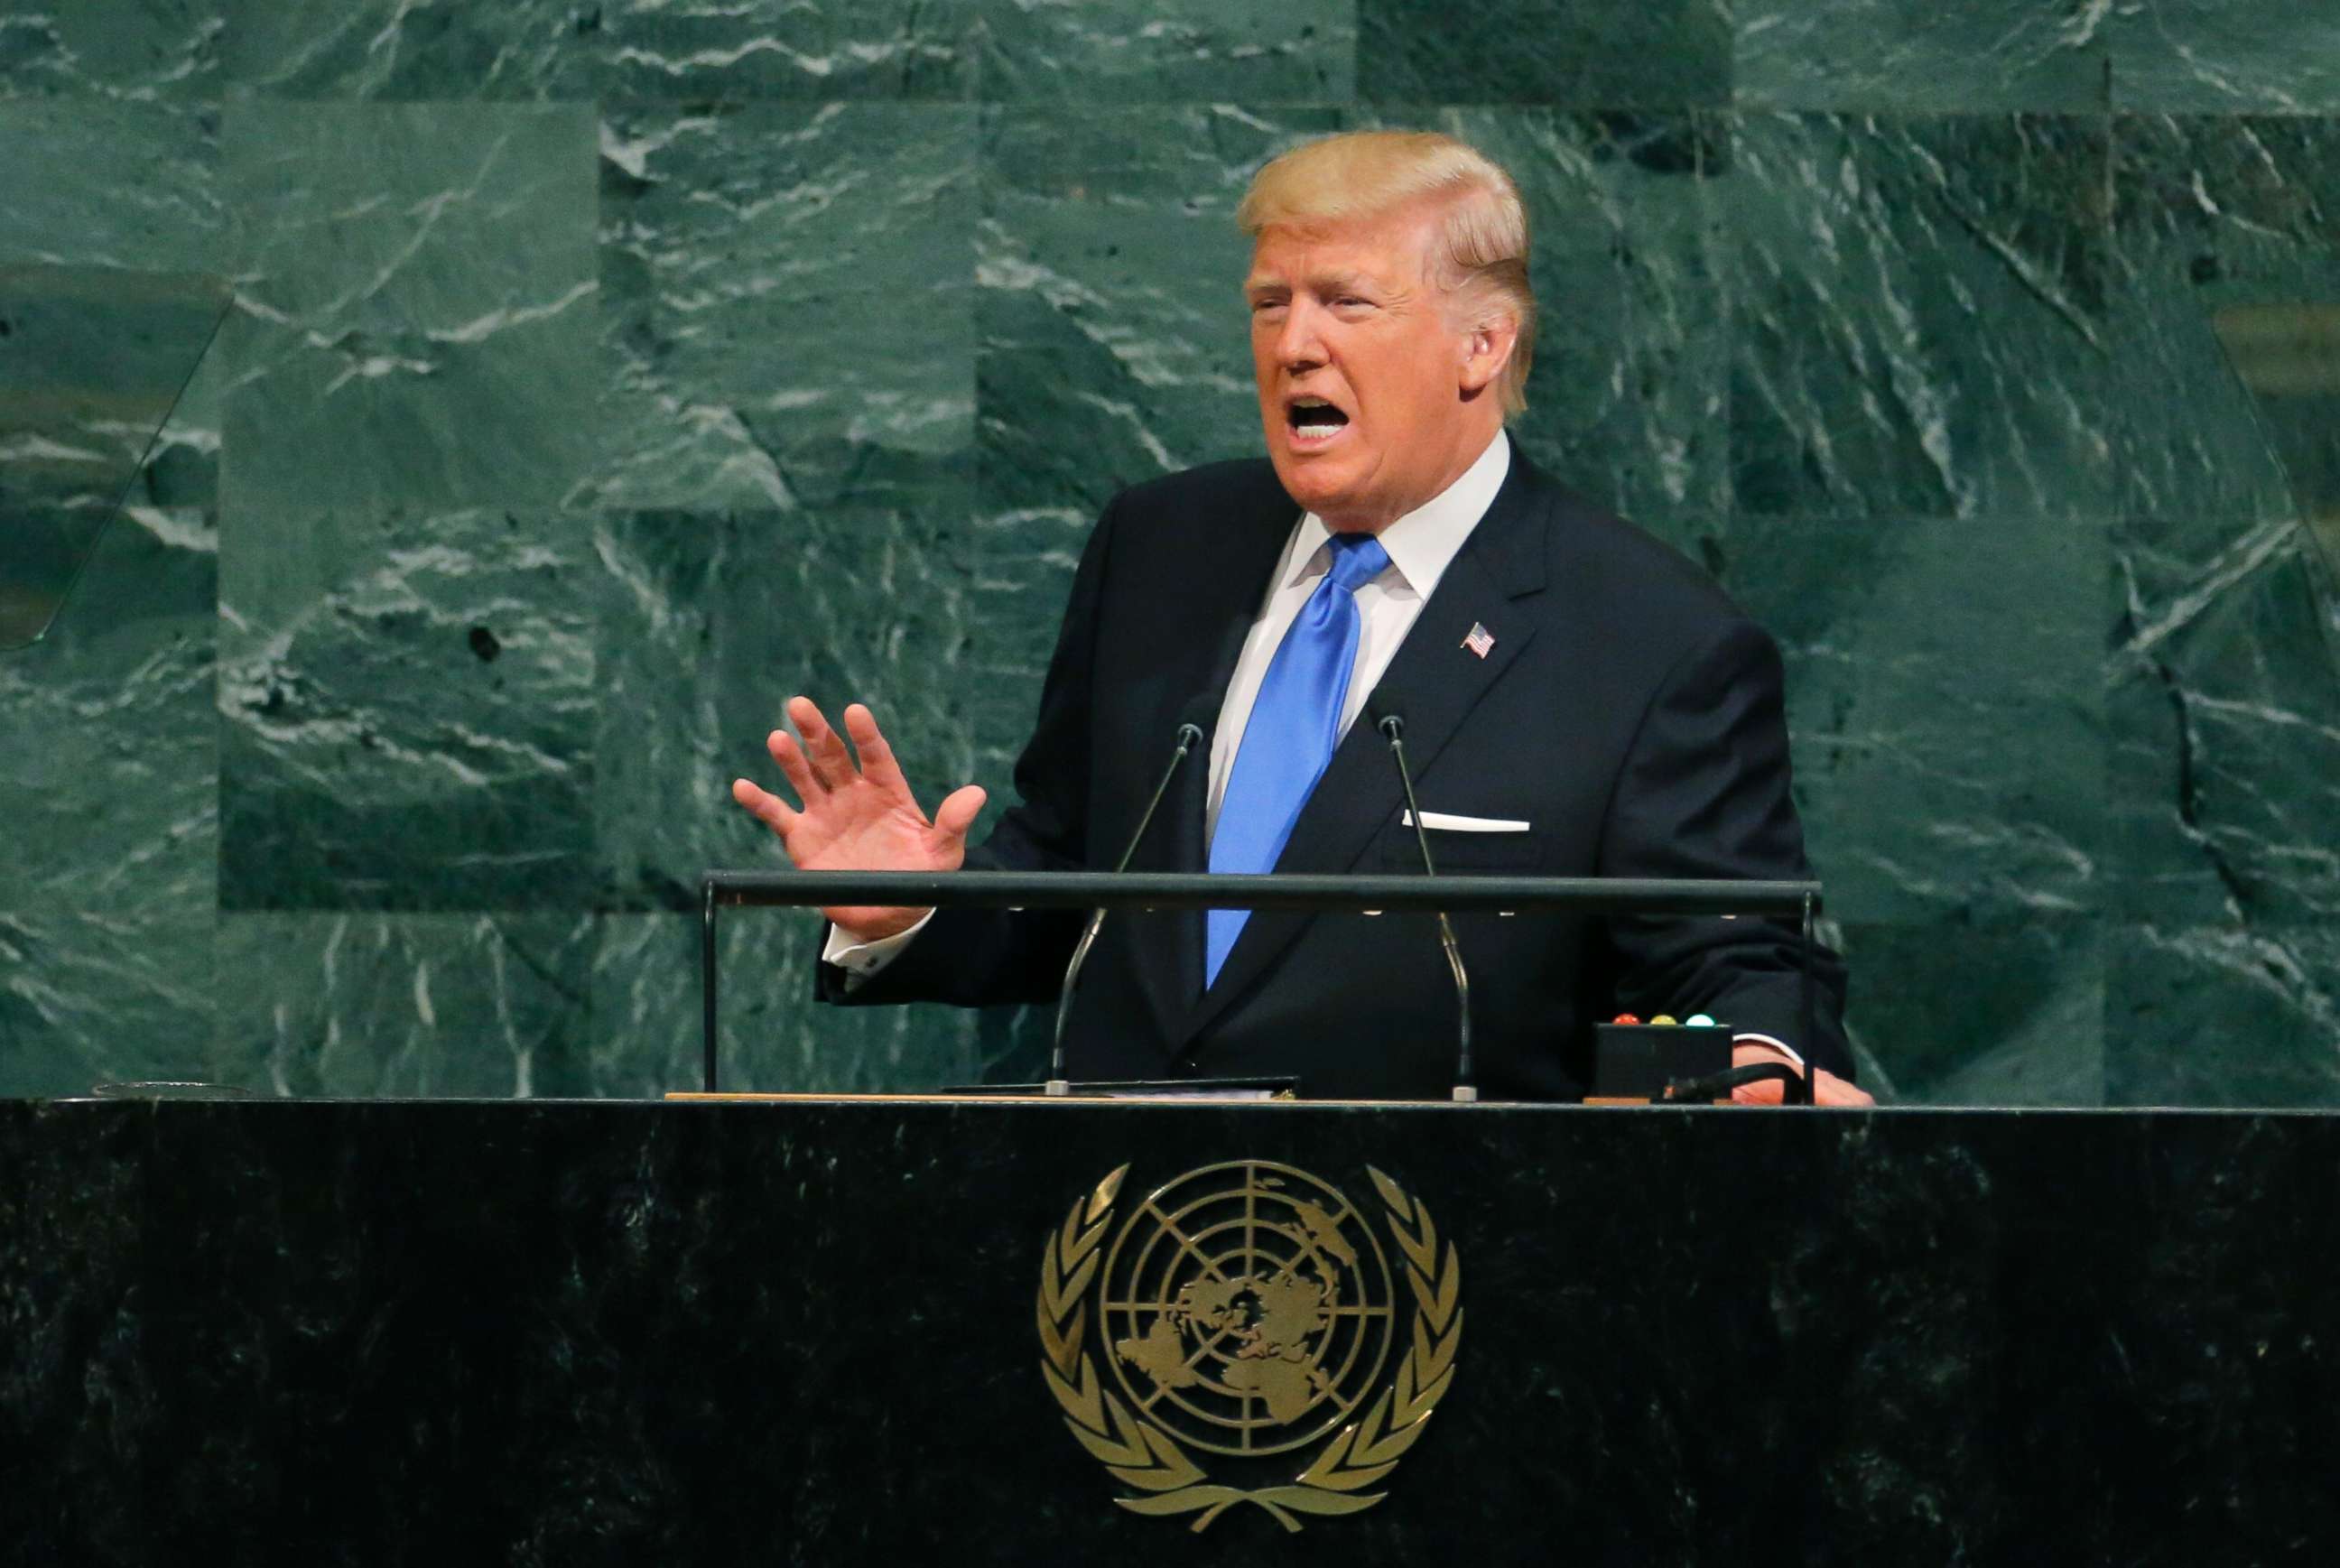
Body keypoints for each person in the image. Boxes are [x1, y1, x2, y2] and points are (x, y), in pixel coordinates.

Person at [732, 130, 1866, 1105]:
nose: (1293, 345)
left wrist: (1762, 1061)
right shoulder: (1161, 549)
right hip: (1120, 1254)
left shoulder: (1649, 639)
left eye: (1346, 303)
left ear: (1484, 345)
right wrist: (910, 911)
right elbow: (1080, 882)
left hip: (1442, 1270)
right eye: (1271, 303)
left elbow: (1735, 958)